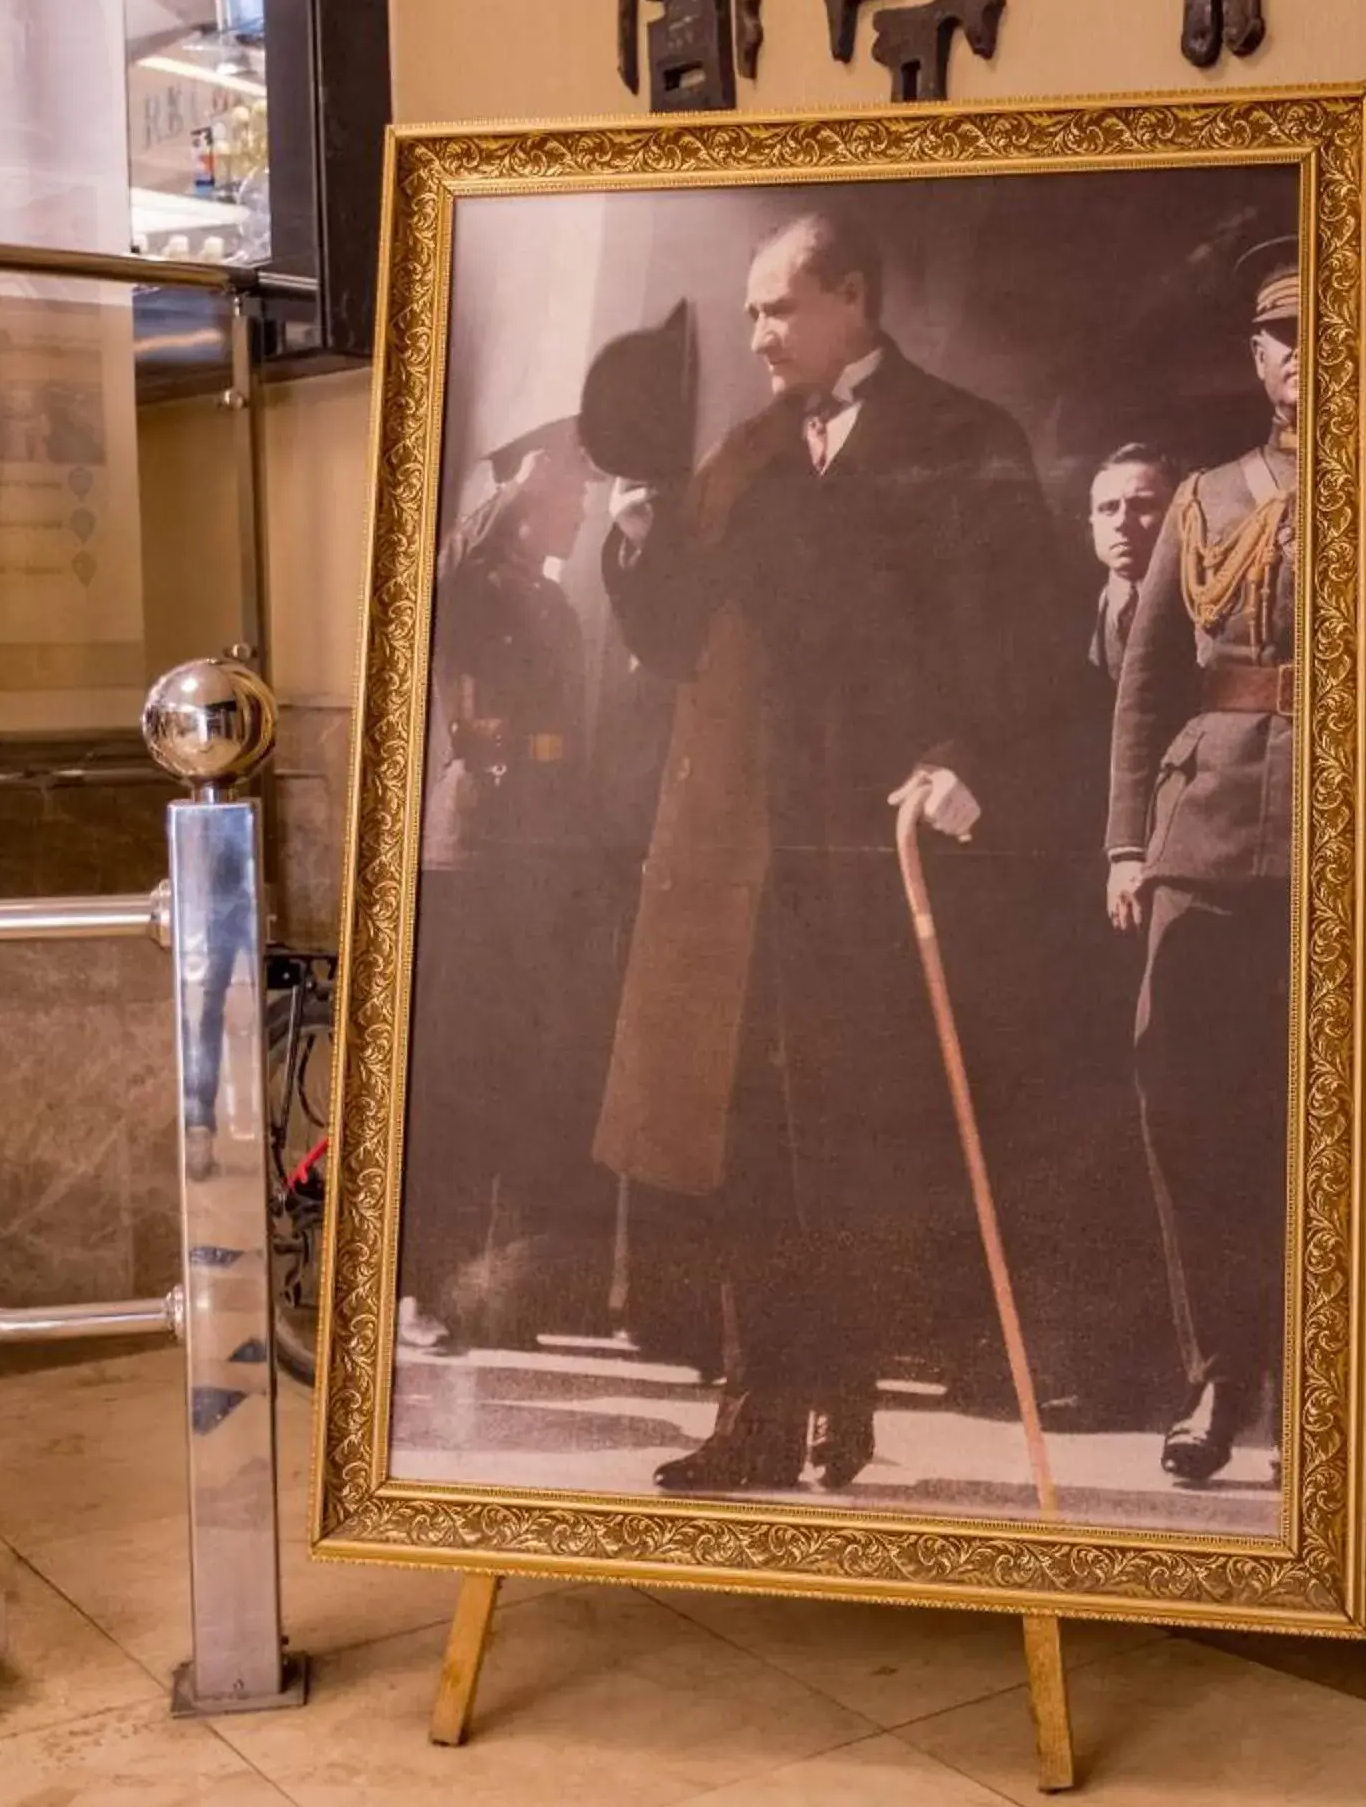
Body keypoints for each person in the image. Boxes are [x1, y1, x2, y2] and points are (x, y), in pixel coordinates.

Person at [592, 209, 1061, 1492]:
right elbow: (673, 636)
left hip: (891, 849)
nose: (757, 336)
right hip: (752, 860)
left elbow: (1027, 632)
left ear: (854, 297)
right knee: (749, 1137)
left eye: (779, 309)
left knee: (857, 1138)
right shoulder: (743, 458)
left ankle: (841, 1402)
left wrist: (967, 759)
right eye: (746, 313)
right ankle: (758, 1407)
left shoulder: (968, 441)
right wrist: (637, 529)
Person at [1104, 243, 1301, 1485]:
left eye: (1325, 334)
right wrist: (1128, 841)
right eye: (1282, 337)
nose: (1302, 358)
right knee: (1187, 1104)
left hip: (1337, 830)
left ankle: (1313, 1380)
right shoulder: (1210, 497)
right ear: (1257, 358)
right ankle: (1220, 1374)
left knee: (1314, 1114)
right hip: (1207, 827)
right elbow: (1143, 690)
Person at [402, 423, 595, 1353]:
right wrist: (562, 760)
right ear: (527, 495)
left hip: (541, 865)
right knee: (454, 1078)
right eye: (570, 487)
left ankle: (493, 1295)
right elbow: (486, 737)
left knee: (522, 1077)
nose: (585, 503)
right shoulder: (472, 586)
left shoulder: (554, 606)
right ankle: (418, 1292)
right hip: (476, 856)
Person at [1085, 444, 1175, 683]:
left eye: (1143, 506)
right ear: (1092, 521)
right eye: (1108, 508)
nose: (1122, 522)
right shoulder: (1083, 608)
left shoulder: (1202, 602)